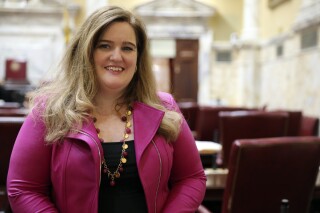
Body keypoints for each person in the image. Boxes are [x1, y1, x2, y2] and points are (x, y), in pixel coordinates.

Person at [7, 6, 206, 213]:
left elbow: (191, 178)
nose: (117, 56)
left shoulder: (165, 108)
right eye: (105, 46)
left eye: (128, 48)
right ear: (86, 53)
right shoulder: (48, 111)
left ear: (138, 58)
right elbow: (24, 189)